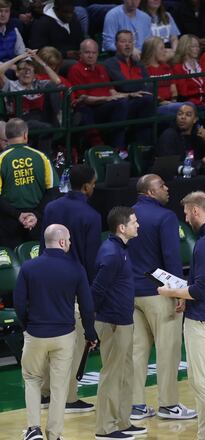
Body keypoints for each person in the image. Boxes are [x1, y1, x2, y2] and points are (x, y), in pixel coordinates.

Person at [158, 191, 205, 440]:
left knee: (204, 383)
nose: (186, 218)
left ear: (195, 210)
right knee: (201, 383)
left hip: (204, 320)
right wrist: (184, 295)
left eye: (186, 213)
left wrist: (171, 291)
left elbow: (202, 288)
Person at [16, 224, 97, 440]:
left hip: (36, 333)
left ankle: (33, 429)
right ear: (62, 242)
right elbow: (87, 307)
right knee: (59, 386)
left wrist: (28, 326)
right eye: (68, 240)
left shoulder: (28, 267)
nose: (70, 243)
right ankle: (54, 434)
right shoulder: (76, 269)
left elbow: (19, 304)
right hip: (64, 336)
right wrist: (90, 333)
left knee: (32, 379)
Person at [128, 174, 196, 421]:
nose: (167, 188)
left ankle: (136, 405)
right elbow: (171, 257)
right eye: (161, 185)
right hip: (159, 293)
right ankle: (168, 404)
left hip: (132, 293)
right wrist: (180, 291)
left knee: (137, 351)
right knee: (168, 350)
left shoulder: (127, 215)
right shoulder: (165, 217)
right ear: (149, 192)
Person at [38, 165, 100, 412]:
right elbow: (91, 258)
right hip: (74, 284)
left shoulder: (52, 207)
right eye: (94, 184)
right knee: (73, 342)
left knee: (48, 337)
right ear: (86, 186)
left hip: (46, 279)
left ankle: (44, 393)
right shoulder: (91, 215)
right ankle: (68, 397)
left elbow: (43, 244)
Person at [93, 206, 146, 440]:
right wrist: (90, 325)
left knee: (125, 373)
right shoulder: (111, 253)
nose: (138, 225)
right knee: (111, 375)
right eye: (134, 222)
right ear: (122, 228)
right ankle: (105, 427)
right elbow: (97, 290)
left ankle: (122, 421)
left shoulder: (121, 249)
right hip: (113, 322)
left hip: (124, 320)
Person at [0, 118, 56, 248]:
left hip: (9, 223)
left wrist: (18, 215)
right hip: (35, 222)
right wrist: (35, 215)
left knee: (13, 264)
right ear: (26, 135)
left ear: (7, 136)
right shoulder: (42, 157)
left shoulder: (1, 160)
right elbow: (53, 191)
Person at [68, 38, 130, 150]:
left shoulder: (101, 68)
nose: (91, 56)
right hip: (90, 108)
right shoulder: (75, 69)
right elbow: (84, 99)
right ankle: (112, 147)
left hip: (105, 104)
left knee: (141, 100)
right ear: (80, 54)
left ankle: (130, 147)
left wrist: (131, 94)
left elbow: (112, 91)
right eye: (87, 52)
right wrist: (108, 99)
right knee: (119, 104)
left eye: (94, 53)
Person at [0, 49, 62, 155]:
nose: (27, 72)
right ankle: (45, 157)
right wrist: (20, 57)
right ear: (17, 72)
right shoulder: (11, 85)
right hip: (21, 120)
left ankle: (60, 119)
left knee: (52, 87)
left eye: (30, 70)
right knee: (45, 128)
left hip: (41, 117)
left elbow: (57, 81)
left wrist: (38, 59)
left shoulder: (38, 84)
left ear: (34, 74)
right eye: (23, 69)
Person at [104, 30, 156, 145]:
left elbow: (150, 84)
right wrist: (140, 87)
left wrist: (139, 88)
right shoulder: (110, 63)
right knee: (147, 101)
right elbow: (124, 85)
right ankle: (126, 147)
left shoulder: (139, 64)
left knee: (148, 101)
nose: (128, 45)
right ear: (116, 44)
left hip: (141, 101)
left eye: (130, 41)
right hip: (123, 104)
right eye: (123, 41)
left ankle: (144, 148)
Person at [154, 103, 205, 174]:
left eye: (188, 115)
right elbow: (167, 167)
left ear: (195, 119)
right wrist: (200, 163)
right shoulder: (169, 135)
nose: (183, 117)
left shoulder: (198, 136)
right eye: (180, 114)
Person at [141, 37, 179, 114]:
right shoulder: (143, 69)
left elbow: (173, 90)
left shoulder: (166, 67)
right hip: (155, 105)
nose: (165, 51)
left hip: (170, 103)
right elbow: (147, 92)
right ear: (152, 51)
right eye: (161, 48)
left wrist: (173, 102)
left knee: (188, 107)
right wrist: (162, 102)